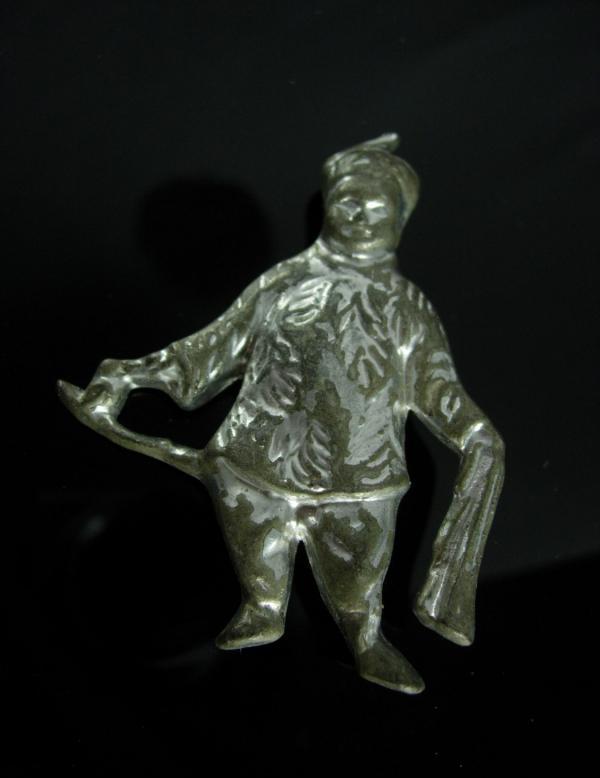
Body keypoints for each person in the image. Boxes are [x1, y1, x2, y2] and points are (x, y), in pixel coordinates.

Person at [58, 133, 504, 693]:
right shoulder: (284, 281)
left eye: (376, 205)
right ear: (330, 204)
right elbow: (211, 348)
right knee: (258, 554)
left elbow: (436, 385)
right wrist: (129, 373)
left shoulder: (407, 307)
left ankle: (365, 639)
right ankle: (262, 607)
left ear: (398, 217)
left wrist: (474, 430)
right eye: (349, 199)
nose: (360, 213)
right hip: (257, 459)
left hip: (361, 475)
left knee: (357, 584)